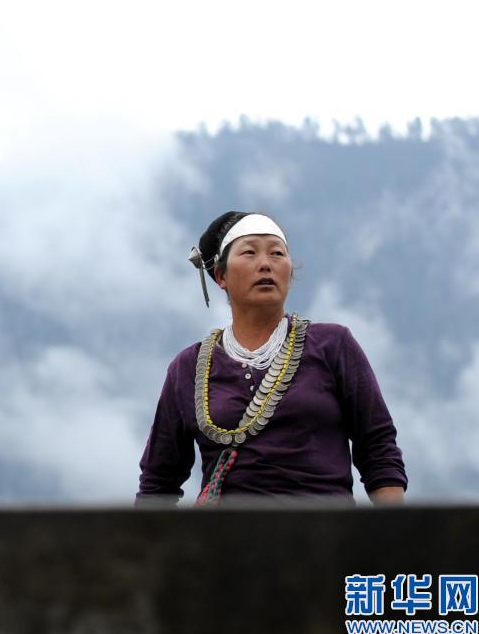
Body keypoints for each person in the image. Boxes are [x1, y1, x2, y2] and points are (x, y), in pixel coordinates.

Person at [136, 211, 406, 505]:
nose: (265, 263)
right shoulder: (188, 367)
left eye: (277, 253)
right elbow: (158, 482)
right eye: (249, 253)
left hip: (326, 529)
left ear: (289, 272)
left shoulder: (333, 345)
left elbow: (378, 448)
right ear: (221, 276)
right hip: (222, 532)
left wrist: (393, 530)